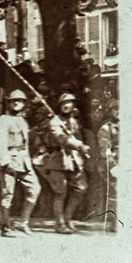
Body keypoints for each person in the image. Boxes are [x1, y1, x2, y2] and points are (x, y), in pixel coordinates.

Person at [40, 92, 92, 234]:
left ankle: (68, 216)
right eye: (63, 104)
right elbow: (61, 138)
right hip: (58, 159)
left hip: (74, 159)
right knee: (60, 193)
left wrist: (82, 150)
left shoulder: (74, 122)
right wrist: (79, 146)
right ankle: (59, 223)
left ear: (73, 105)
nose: (66, 106)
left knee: (81, 188)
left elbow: (79, 137)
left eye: (69, 103)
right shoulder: (55, 122)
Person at [0, 89, 42, 236]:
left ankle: (23, 222)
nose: (17, 103)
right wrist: (6, 162)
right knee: (8, 194)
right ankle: (6, 227)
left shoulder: (22, 121)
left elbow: (26, 144)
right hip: (10, 159)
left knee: (35, 189)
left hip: (24, 160)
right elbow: (0, 143)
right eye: (14, 101)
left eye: (20, 101)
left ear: (24, 104)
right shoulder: (3, 120)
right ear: (9, 103)